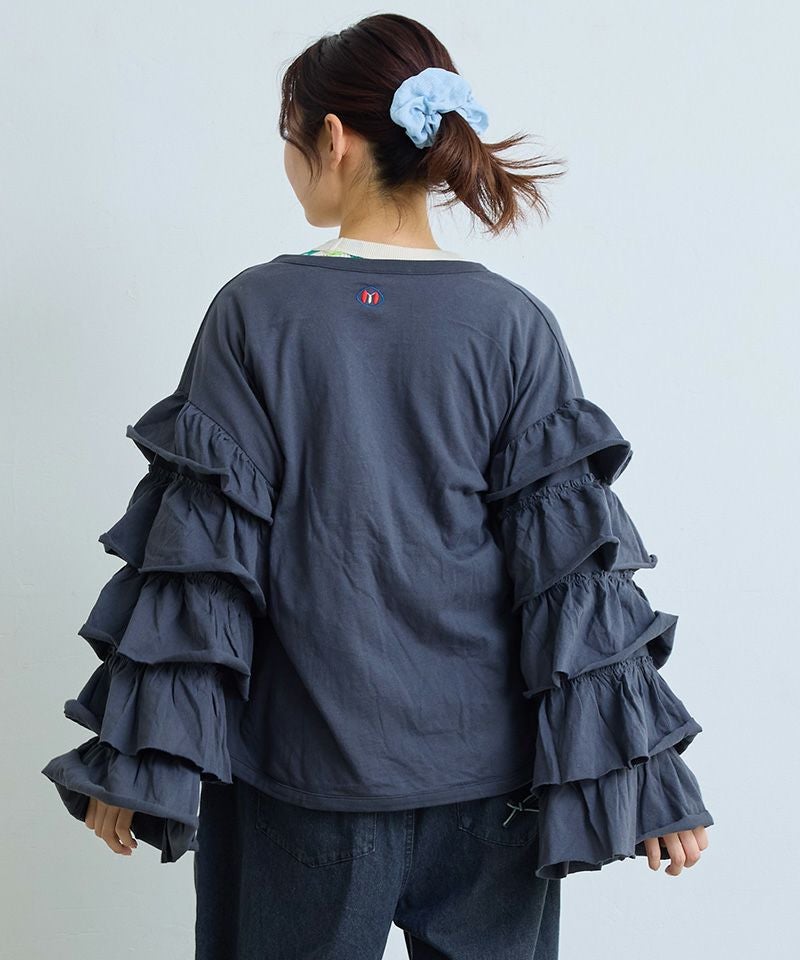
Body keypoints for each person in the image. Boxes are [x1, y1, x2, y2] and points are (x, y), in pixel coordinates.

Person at [41, 12, 713, 960]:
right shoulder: (512, 325)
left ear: (331, 137)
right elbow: (572, 570)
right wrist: (642, 778)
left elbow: (200, 557)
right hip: (491, 793)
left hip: (302, 788)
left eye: (288, 136)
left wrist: (135, 756)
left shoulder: (255, 314)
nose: (288, 160)